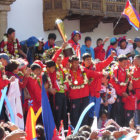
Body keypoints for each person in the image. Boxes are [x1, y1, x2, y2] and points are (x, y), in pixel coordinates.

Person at [65, 55, 104, 127]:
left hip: (85, 96)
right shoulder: (67, 71)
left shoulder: (82, 69)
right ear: (71, 63)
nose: (76, 64)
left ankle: (83, 130)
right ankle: (75, 131)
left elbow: (92, 73)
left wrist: (102, 74)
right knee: (74, 114)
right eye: (74, 63)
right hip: (74, 97)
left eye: (77, 63)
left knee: (84, 113)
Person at [81, 51, 115, 122]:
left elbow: (105, 63)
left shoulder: (96, 65)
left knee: (96, 114)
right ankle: (88, 129)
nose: (89, 61)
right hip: (89, 94)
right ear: (83, 61)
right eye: (87, 60)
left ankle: (94, 129)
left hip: (97, 94)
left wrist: (111, 56)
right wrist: (102, 73)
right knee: (88, 113)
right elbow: (92, 74)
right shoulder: (82, 69)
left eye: (90, 59)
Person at [110, 55, 129, 126]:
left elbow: (125, 83)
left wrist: (124, 92)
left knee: (122, 111)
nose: (125, 64)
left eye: (126, 62)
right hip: (117, 94)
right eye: (124, 62)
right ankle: (116, 126)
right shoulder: (116, 70)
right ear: (119, 62)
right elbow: (113, 82)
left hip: (123, 94)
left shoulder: (125, 70)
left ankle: (121, 126)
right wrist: (121, 92)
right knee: (117, 111)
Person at [0, 53, 15, 122]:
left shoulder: (2, 69)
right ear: (2, 60)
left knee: (3, 118)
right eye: (6, 61)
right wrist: (9, 81)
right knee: (2, 119)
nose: (6, 64)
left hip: (1, 96)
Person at [131, 55, 140, 126]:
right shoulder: (132, 69)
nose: (134, 61)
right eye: (134, 60)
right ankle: (136, 125)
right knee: (135, 110)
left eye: (136, 60)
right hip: (134, 92)